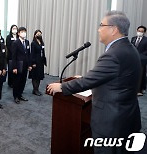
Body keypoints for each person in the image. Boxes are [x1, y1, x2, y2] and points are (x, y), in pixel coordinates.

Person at [47, 11, 141, 154]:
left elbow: (89, 81)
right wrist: (86, 77)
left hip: (111, 121)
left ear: (113, 29)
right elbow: (113, 77)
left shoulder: (114, 54)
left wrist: (62, 86)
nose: (98, 29)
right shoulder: (128, 48)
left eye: (101, 25)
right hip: (125, 114)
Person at [12, 27, 32, 104]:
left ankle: (20, 94)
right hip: (18, 65)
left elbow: (29, 54)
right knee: (17, 81)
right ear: (18, 33)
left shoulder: (27, 42)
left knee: (23, 81)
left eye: (25, 32)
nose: (24, 33)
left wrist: (29, 65)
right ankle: (16, 96)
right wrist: (14, 67)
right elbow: (13, 56)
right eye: (22, 32)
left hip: (25, 65)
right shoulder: (15, 43)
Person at [28, 30, 47, 96]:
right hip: (35, 61)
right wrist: (33, 62)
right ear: (35, 35)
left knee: (39, 76)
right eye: (38, 33)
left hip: (41, 61)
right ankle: (35, 89)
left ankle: (37, 89)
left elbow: (43, 52)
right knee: (35, 76)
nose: (39, 35)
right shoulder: (33, 43)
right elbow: (32, 53)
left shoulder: (41, 42)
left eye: (40, 33)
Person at [131, 26, 147, 96]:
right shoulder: (133, 38)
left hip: (142, 59)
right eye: (139, 30)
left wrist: (140, 55)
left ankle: (139, 90)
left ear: (144, 32)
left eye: (141, 31)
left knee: (140, 74)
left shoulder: (146, 40)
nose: (140, 32)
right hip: (133, 59)